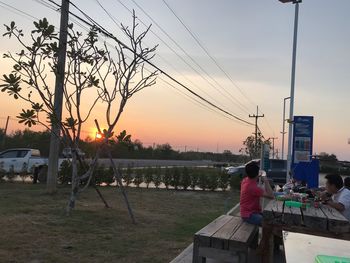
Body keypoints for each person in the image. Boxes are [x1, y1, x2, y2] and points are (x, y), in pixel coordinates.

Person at [240, 162, 274, 226]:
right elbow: (271, 196)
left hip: (249, 212)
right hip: (249, 215)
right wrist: (266, 181)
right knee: (269, 223)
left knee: (271, 217)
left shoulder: (245, 180)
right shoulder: (253, 187)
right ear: (257, 174)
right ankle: (266, 236)